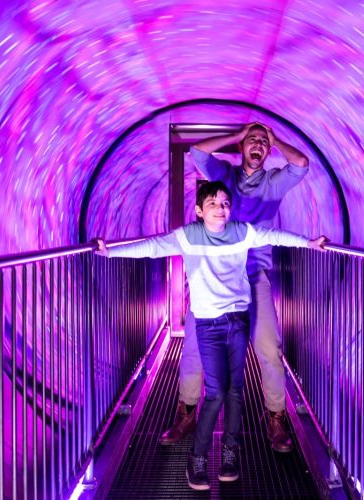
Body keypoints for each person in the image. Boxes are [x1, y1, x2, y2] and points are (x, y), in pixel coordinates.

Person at [95, 181, 328, 491]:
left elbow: (274, 236)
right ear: (199, 211)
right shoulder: (188, 236)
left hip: (237, 321)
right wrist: (110, 252)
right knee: (216, 392)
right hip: (208, 325)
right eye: (213, 204)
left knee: (235, 391)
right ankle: (197, 457)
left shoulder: (242, 232)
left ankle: (231, 453)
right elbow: (151, 247)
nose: (221, 209)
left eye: (225, 204)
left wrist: (309, 243)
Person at [160, 122, 312, 453]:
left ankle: (276, 418)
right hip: (215, 277)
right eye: (252, 140)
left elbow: (301, 163)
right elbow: (197, 151)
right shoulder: (225, 175)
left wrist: (275, 139)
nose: (257, 144)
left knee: (268, 346)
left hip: (254, 275)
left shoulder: (273, 183)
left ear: (268, 150)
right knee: (194, 346)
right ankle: (186, 412)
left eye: (263, 142)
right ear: (242, 146)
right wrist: (237, 135)